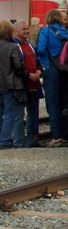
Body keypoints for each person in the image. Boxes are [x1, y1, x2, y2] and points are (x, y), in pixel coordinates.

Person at [36, 9, 68, 147]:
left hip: (51, 68)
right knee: (66, 101)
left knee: (53, 103)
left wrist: (42, 61)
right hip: (65, 69)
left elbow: (40, 49)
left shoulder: (46, 31)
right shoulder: (65, 31)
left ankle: (57, 136)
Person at [12, 21, 44, 147]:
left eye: (27, 29)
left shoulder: (30, 45)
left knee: (33, 113)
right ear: (16, 31)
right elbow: (15, 66)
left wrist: (38, 70)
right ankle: (19, 141)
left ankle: (32, 139)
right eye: (23, 29)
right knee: (19, 114)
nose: (26, 31)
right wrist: (28, 75)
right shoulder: (14, 46)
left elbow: (38, 61)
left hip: (34, 85)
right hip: (21, 85)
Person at [1, 19, 26, 149]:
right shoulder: (12, 47)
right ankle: (4, 140)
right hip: (10, 84)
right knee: (10, 113)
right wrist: (25, 75)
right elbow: (18, 66)